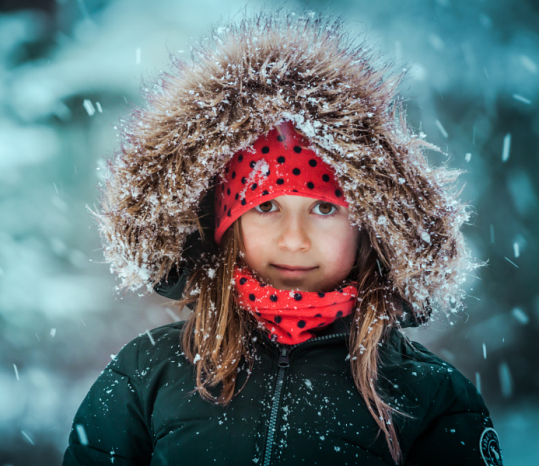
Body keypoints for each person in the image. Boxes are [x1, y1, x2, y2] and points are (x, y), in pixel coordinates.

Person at [63, 10, 503, 466]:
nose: (294, 240)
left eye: (325, 208)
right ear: (227, 227)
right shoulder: (146, 372)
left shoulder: (428, 393)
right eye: (266, 207)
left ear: (369, 229)